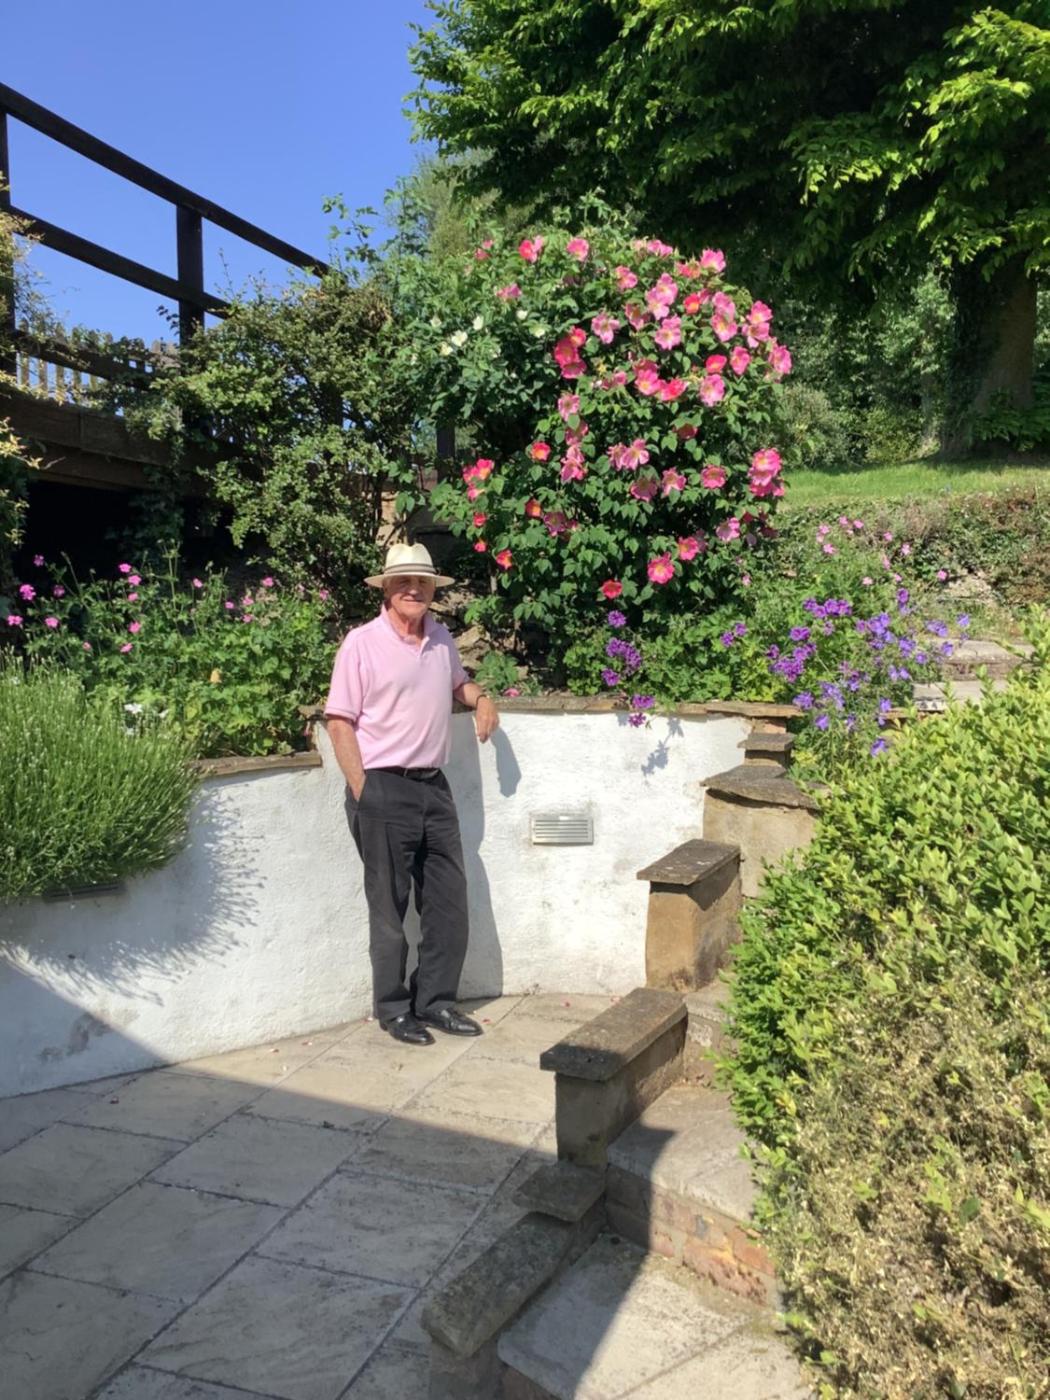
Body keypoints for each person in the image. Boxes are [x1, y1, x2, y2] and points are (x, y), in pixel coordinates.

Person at [324, 542, 499, 1046]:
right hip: (381, 786)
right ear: (386, 589)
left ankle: (436, 1002)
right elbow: (339, 722)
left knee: (448, 904)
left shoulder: (441, 639)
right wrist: (364, 790)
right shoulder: (361, 643)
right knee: (390, 909)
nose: (413, 589)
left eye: (422, 582)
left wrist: (482, 698)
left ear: (431, 590)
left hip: (433, 787)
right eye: (403, 581)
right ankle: (394, 1010)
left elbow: (457, 684)